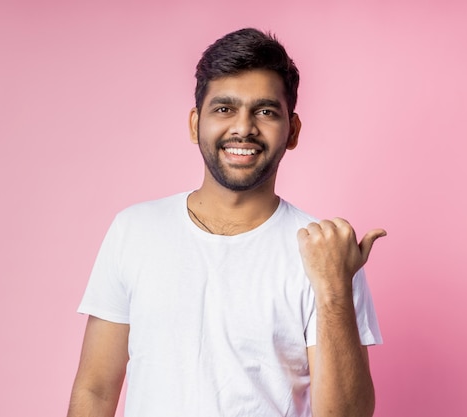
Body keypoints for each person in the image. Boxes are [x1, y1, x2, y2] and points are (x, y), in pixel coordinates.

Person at [67, 28, 386, 417]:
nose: (243, 127)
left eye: (265, 111)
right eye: (224, 109)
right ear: (194, 123)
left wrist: (335, 289)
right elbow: (95, 391)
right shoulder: (133, 231)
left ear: (293, 131)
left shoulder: (325, 253)